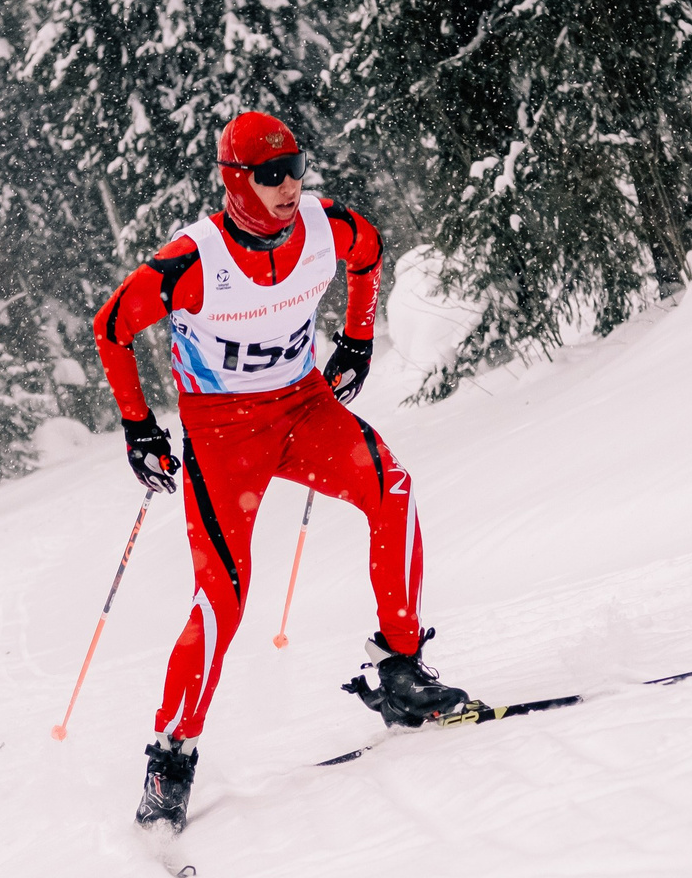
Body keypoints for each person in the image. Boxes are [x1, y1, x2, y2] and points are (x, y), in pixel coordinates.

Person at [93, 109, 473, 834]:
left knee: (391, 488)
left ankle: (400, 668)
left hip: (302, 410)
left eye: (296, 165)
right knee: (224, 596)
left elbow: (370, 251)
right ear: (235, 180)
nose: (289, 183)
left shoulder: (326, 226)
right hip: (221, 435)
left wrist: (358, 339)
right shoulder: (194, 261)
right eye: (271, 174)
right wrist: (139, 426)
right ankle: (170, 758)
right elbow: (112, 326)